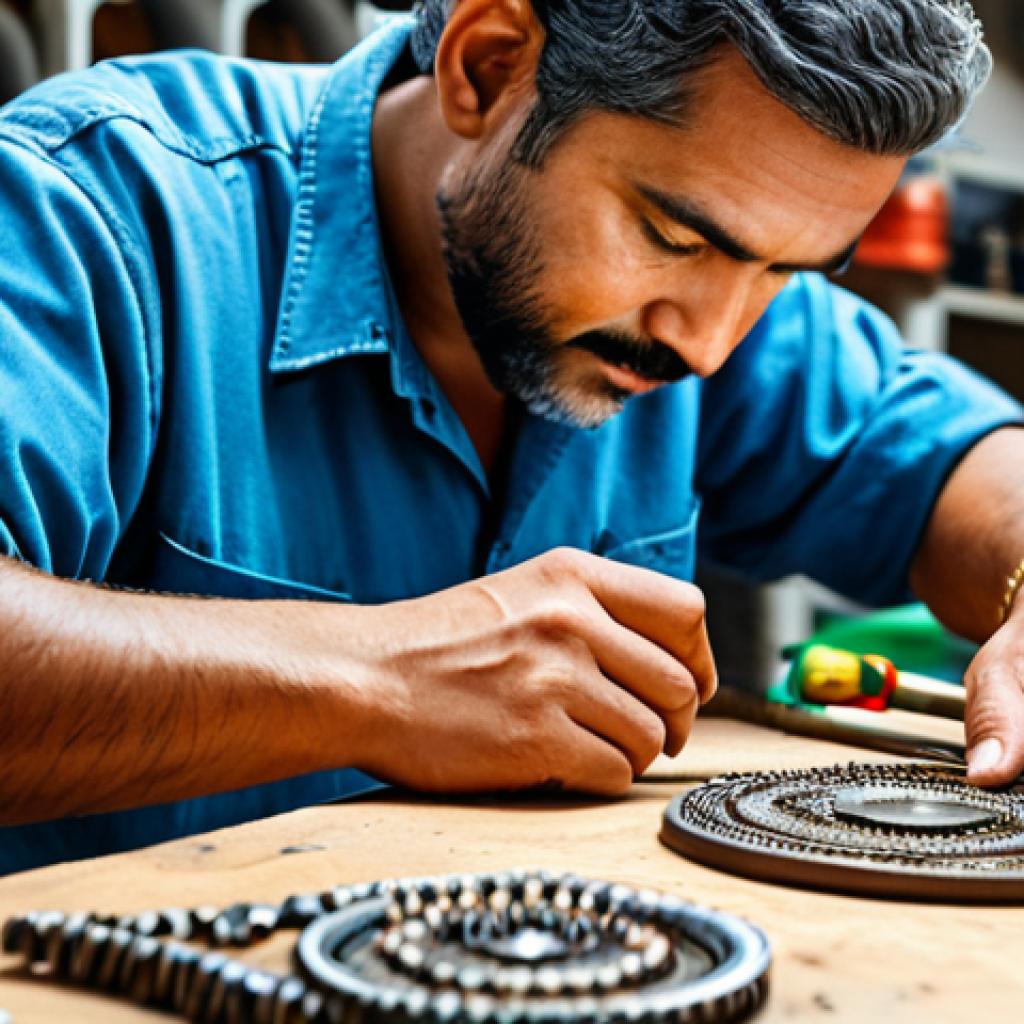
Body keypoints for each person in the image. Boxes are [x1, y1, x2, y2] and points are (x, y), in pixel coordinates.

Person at [0, 0, 1020, 874]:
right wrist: (382, 680)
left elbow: (957, 467)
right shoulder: (96, 210)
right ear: (487, 65)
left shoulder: (717, 305)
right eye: (673, 236)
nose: (710, 343)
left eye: (788, 272)